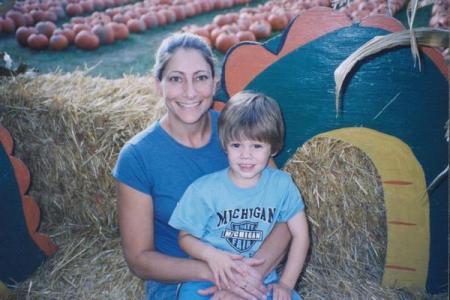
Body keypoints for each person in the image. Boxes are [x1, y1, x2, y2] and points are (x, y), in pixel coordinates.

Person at [113, 32, 292, 300]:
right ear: (158, 85)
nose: (190, 92)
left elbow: (284, 216)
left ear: (214, 83)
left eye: (200, 78)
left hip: (254, 272)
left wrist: (250, 275)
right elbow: (140, 259)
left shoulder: (241, 134)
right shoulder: (137, 157)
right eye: (176, 79)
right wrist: (216, 272)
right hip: (185, 279)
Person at [169, 91, 310, 300]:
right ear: (225, 145)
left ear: (273, 147)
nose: (246, 154)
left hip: (262, 280)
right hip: (210, 278)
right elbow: (185, 237)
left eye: (256, 145)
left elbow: (300, 235)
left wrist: (286, 284)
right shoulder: (203, 190)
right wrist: (213, 256)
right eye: (236, 145)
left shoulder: (282, 185)